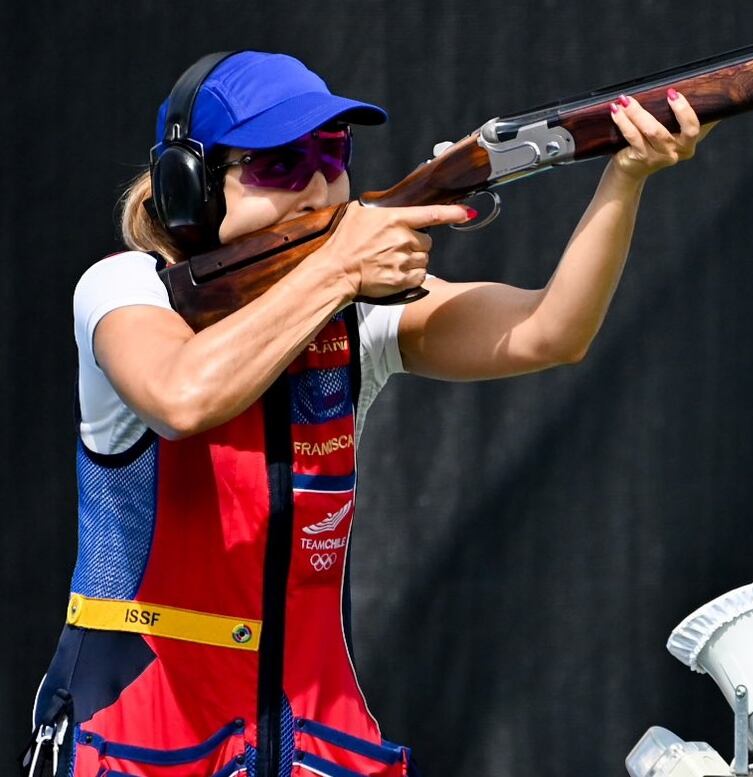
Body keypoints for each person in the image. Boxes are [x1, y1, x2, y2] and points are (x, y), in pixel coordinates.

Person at [26, 51, 711, 777]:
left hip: (318, 732)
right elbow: (182, 397)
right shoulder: (127, 287)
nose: (318, 184)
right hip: (141, 724)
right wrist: (342, 268)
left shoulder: (356, 315)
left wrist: (624, 178)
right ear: (188, 187)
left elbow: (550, 332)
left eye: (332, 153)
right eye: (280, 165)